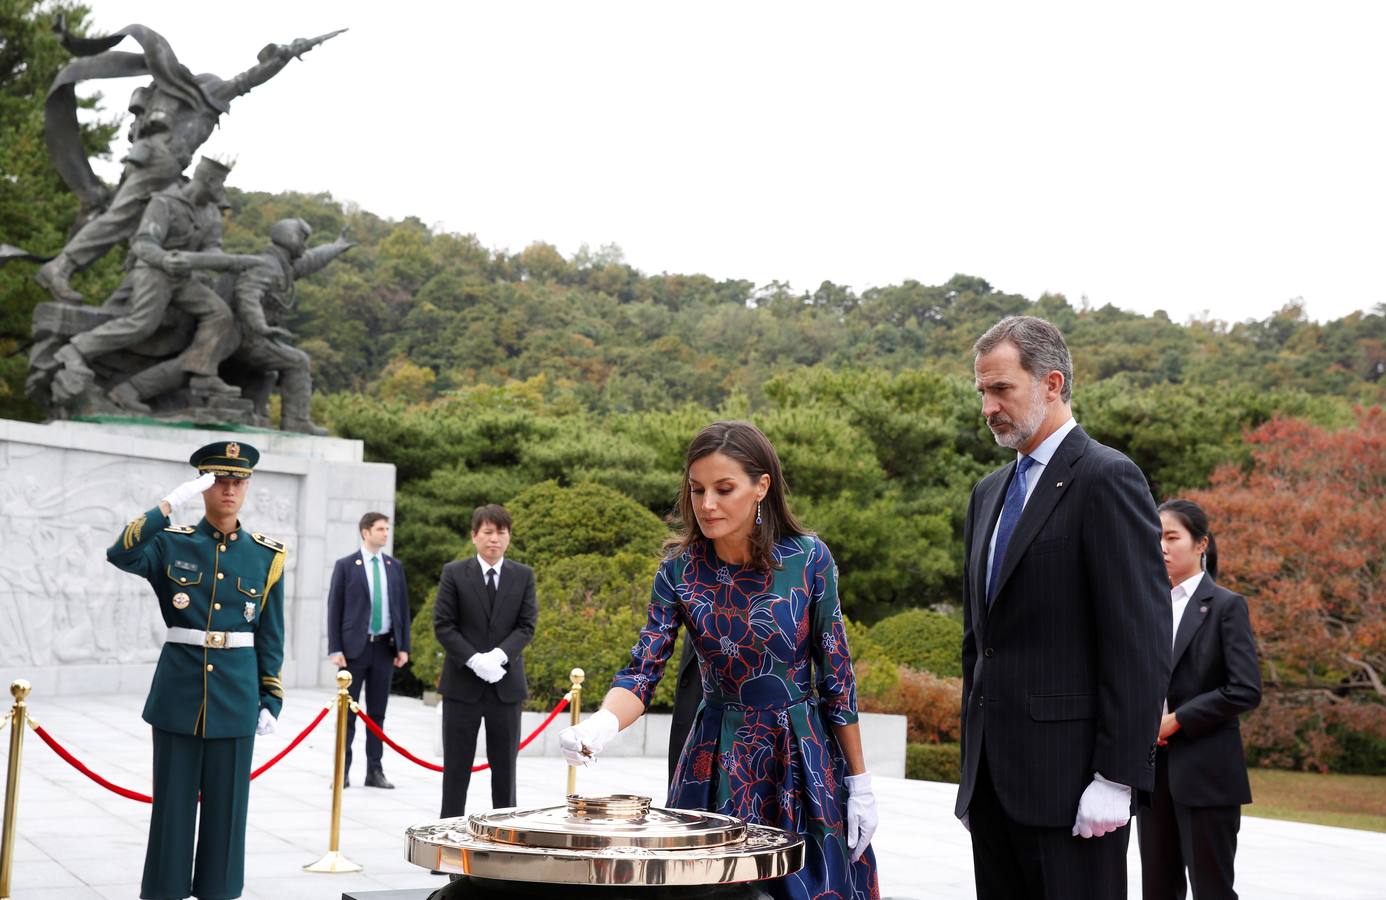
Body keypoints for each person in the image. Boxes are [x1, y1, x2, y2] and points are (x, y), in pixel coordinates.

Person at [560, 420, 880, 900]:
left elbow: (838, 678)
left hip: (800, 759)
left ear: (761, 488)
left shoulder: (809, 558)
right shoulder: (679, 571)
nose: (707, 504)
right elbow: (644, 669)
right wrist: (601, 725)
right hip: (716, 759)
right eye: (696, 490)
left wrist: (860, 783)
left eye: (723, 489)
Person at [956, 316, 1170, 900]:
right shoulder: (988, 493)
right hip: (995, 791)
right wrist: (974, 773)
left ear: (1051, 383)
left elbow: (1141, 642)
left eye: (1001, 389)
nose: (988, 406)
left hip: (1076, 792)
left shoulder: (1107, 478)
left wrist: (1117, 778)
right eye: (982, 391)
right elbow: (980, 641)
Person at [37, 23, 338, 303]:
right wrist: (283, 58)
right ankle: (60, 267)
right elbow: (248, 80)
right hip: (160, 161)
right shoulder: (206, 98)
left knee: (147, 223)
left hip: (159, 165)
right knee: (119, 219)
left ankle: (137, 291)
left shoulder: (182, 107)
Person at [107, 440, 286, 900]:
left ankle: (219, 892)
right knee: (172, 809)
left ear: (248, 486)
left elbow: (270, 633)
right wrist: (169, 505)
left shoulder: (267, 556)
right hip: (179, 693)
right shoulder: (171, 542)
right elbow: (121, 553)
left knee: (228, 812)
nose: (229, 489)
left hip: (236, 694)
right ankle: (164, 892)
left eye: (238, 480)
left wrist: (271, 697)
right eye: (218, 480)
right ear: (203, 486)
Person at [53, 157, 255, 412]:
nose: (222, 189)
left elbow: (212, 247)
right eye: (221, 182)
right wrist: (163, 259)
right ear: (210, 181)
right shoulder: (164, 203)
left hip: (184, 279)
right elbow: (143, 243)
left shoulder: (211, 213)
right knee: (141, 323)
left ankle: (202, 372)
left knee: (220, 314)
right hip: (153, 270)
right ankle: (75, 349)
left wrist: (217, 262)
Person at [1138, 499, 1262, 900]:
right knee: (1157, 889)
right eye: (1156, 537)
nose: (1162, 547)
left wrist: (1177, 720)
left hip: (1207, 776)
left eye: (1172, 537)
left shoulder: (1226, 606)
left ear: (1200, 544)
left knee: (1212, 891)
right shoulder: (1146, 608)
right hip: (1152, 778)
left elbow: (1244, 688)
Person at [433, 504, 537, 816]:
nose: (494, 539)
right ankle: (447, 838)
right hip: (462, 686)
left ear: (509, 537)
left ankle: (505, 840)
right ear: (474, 536)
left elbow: (526, 625)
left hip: (505, 688)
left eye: (501, 532)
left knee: (505, 770)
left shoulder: (523, 575)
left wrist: (500, 656)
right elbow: (444, 625)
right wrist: (475, 660)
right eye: (488, 532)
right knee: (456, 768)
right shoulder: (454, 573)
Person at [227, 217, 353, 434]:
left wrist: (336, 247)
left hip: (255, 337)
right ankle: (296, 421)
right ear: (291, 239)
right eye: (302, 240)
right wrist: (261, 327)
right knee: (298, 362)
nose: (305, 246)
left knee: (272, 372)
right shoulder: (267, 266)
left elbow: (312, 259)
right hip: (248, 339)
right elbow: (247, 294)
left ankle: (255, 413)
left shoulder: (281, 266)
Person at [326, 511, 411, 789]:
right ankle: (343, 771)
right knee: (347, 715)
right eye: (380, 529)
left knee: (378, 714)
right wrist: (335, 647)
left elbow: (401, 608)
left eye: (387, 529)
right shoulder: (346, 565)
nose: (386, 533)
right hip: (353, 650)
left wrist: (403, 646)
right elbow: (334, 608)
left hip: (384, 648)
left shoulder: (393, 566)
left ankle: (375, 771)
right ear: (365, 532)